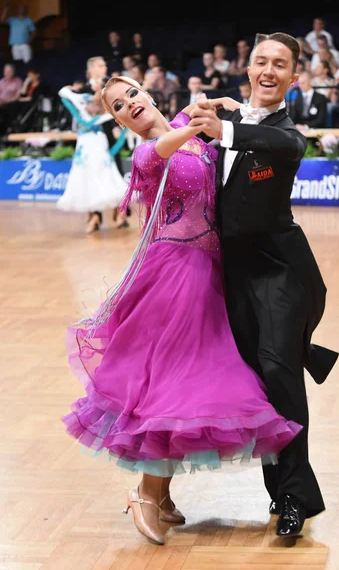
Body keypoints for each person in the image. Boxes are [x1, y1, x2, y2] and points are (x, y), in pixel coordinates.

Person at [60, 75, 303, 546]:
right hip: (173, 273)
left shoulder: (179, 123)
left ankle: (164, 496)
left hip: (206, 271)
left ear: (148, 96)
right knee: (173, 382)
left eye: (132, 94)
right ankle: (145, 495)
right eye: (117, 106)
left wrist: (220, 103)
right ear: (115, 120)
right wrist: (200, 122)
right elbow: (169, 144)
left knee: (181, 381)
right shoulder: (148, 152)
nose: (129, 104)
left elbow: (195, 115)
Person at [188, 32, 339, 537]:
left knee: (277, 373)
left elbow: (285, 143)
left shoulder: (279, 133)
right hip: (231, 275)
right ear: (247, 69)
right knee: (257, 385)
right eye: (260, 62)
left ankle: (298, 499)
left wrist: (228, 130)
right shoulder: (225, 121)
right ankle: (280, 495)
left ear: (294, 79)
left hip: (280, 271)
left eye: (280, 64)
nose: (269, 70)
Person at [56, 86, 128, 233]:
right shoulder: (82, 116)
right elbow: (63, 94)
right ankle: (94, 215)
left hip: (100, 150)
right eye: (90, 103)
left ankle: (119, 213)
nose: (93, 106)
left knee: (108, 178)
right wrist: (75, 93)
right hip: (84, 150)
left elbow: (122, 131)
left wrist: (114, 150)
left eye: (96, 104)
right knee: (86, 180)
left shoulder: (104, 119)